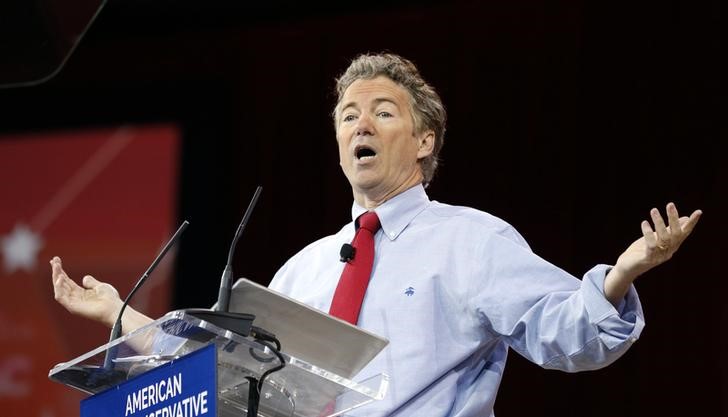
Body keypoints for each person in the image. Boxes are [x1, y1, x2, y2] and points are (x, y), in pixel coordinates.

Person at [51, 53, 702, 417]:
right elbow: (215, 370)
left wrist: (618, 277)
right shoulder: (301, 270)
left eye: (382, 112)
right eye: (348, 114)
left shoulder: (470, 241)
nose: (360, 122)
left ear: (423, 142)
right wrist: (119, 313)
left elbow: (568, 335)